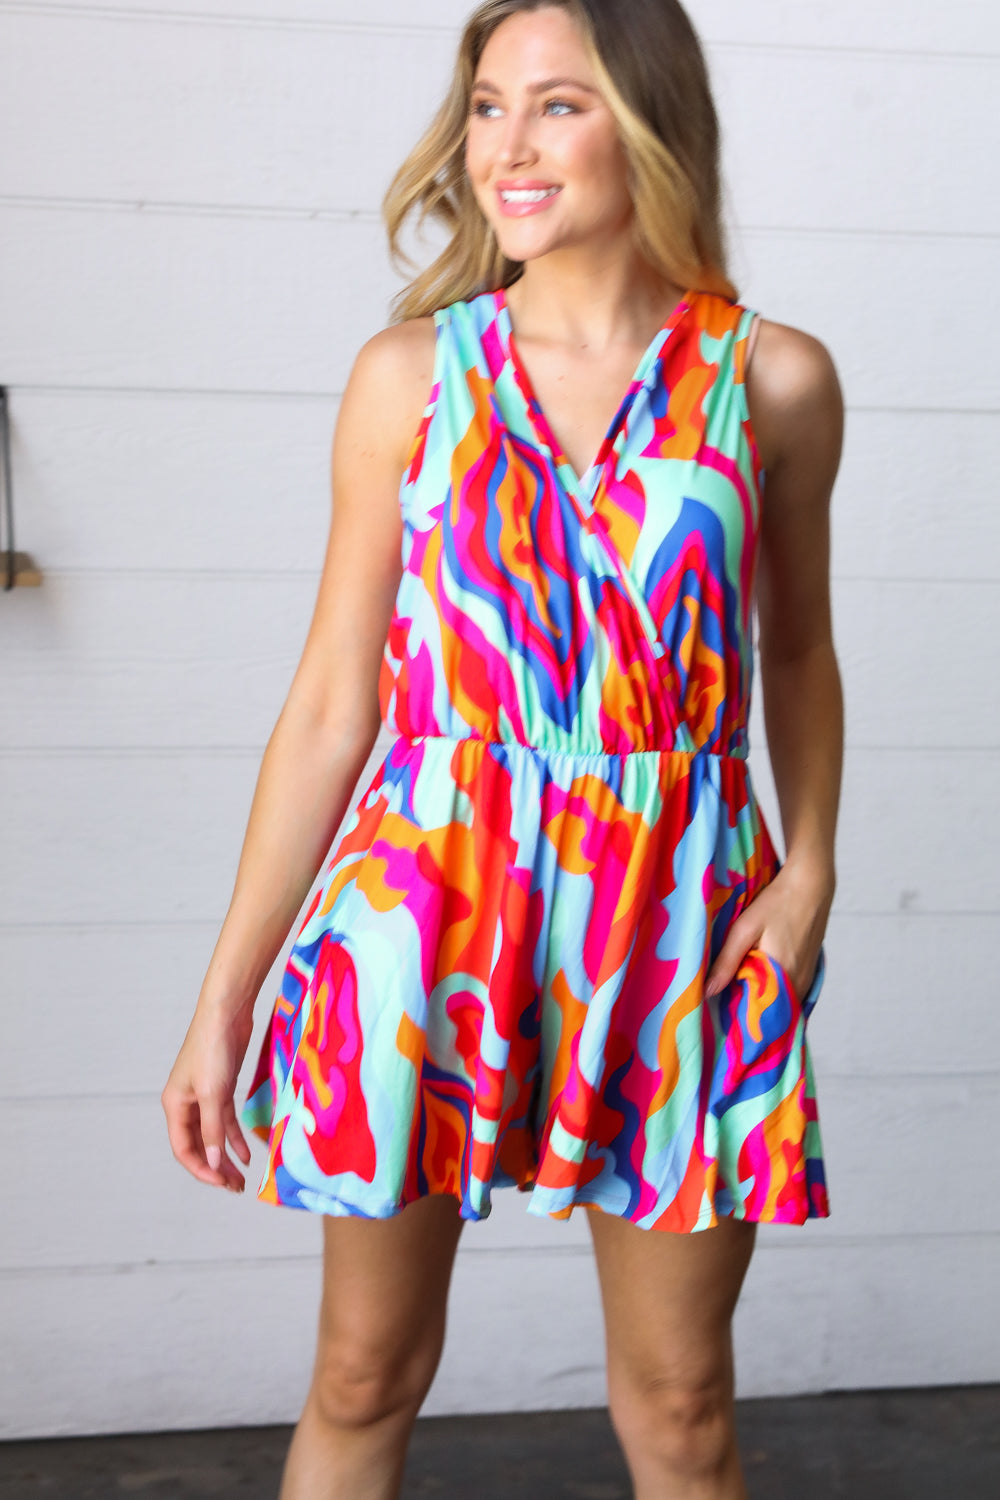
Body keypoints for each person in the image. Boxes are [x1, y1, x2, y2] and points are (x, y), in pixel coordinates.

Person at [162, 1, 844, 1495]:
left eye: (558, 105)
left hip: (679, 918)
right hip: (425, 909)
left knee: (683, 1406)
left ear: (650, 124)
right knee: (363, 1373)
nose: (508, 148)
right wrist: (226, 997)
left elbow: (796, 652)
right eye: (486, 106)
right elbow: (333, 701)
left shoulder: (772, 379)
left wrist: (810, 874)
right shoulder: (409, 375)